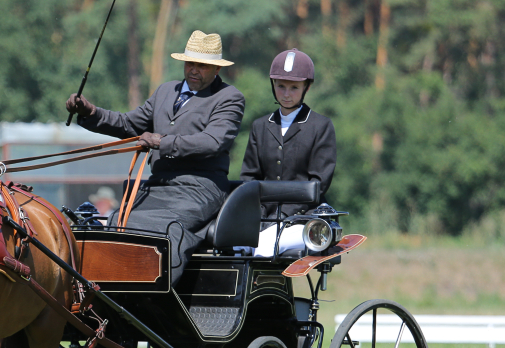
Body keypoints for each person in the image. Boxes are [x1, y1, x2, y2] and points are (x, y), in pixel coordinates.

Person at [66, 30, 245, 284]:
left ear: (216, 69)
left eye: (202, 66)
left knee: (161, 227)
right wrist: (91, 111)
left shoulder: (229, 98)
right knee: (118, 219)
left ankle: (152, 293)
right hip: (158, 186)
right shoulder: (165, 92)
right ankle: (110, 288)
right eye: (190, 63)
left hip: (199, 189)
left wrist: (161, 142)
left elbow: (212, 142)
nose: (194, 70)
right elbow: (128, 124)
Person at [239, 48, 336, 256]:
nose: (286, 94)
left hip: (303, 219)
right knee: (234, 247)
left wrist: (282, 216)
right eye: (281, 86)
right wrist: (257, 216)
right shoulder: (260, 126)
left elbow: (318, 183)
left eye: (294, 87)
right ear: (273, 85)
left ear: (306, 88)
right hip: (263, 217)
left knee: (263, 248)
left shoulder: (320, 126)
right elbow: (249, 177)